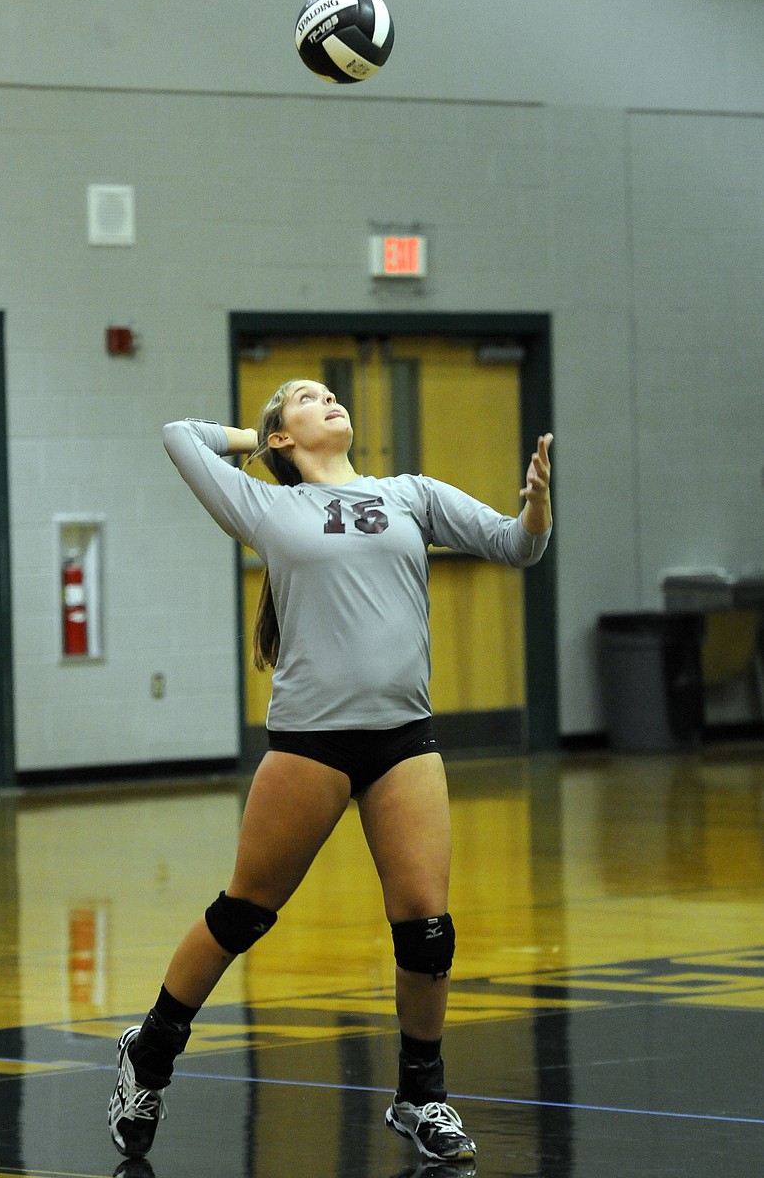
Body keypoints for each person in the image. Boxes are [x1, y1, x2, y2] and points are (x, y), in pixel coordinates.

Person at [108, 378, 553, 1164]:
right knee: (243, 912)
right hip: (311, 742)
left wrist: (536, 506)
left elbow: (517, 546)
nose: (331, 399)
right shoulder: (267, 508)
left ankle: (422, 1099)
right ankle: (149, 1055)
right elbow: (181, 434)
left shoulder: (409, 493)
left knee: (426, 930)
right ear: (283, 436)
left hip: (403, 742)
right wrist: (259, 435)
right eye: (309, 399)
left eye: (331, 394)